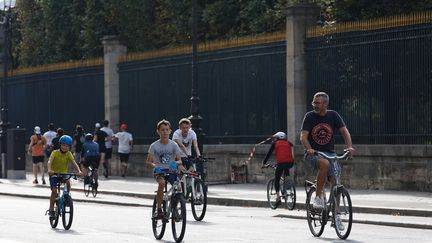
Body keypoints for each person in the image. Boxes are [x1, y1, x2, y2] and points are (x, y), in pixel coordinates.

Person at [300, 92, 354, 212]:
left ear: (325, 104)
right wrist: (309, 148)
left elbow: (345, 132)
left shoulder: (333, 115)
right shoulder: (309, 116)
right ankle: (318, 197)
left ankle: (336, 214)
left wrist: (349, 147)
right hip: (313, 153)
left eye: (317, 103)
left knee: (336, 183)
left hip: (330, 154)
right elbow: (303, 136)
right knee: (324, 163)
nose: (315, 105)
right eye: (314, 102)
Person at [146, 119, 185, 219]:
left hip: (171, 170)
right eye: (162, 130)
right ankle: (159, 209)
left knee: (178, 187)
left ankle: (175, 208)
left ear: (170, 131)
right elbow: (148, 162)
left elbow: (180, 160)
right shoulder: (154, 146)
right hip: (159, 171)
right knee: (162, 184)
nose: (165, 132)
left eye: (167, 130)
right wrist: (155, 166)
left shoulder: (174, 145)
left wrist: (175, 163)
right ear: (158, 131)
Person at [47, 135, 83, 220]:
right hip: (54, 174)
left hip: (63, 174)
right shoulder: (55, 152)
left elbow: (74, 162)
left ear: (69, 147)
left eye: (67, 146)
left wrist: (79, 171)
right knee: (54, 191)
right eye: (63, 145)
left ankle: (67, 197)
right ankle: (51, 209)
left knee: (68, 182)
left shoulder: (69, 154)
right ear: (60, 145)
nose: (65, 147)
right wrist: (49, 169)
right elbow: (49, 161)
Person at [262, 131, 294, 206]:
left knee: (277, 179)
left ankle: (278, 197)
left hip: (281, 163)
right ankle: (288, 182)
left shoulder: (275, 144)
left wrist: (264, 163)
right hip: (290, 163)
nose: (274, 139)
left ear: (278, 138)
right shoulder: (289, 143)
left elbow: (269, 154)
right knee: (286, 168)